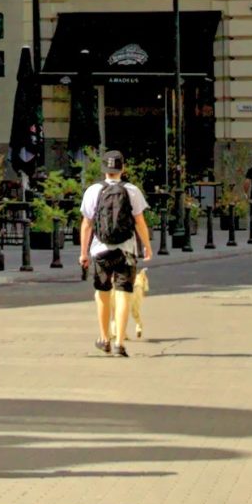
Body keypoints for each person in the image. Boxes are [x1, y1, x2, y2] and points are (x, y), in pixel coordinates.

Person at [79, 150, 151, 357]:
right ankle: (120, 341)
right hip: (126, 250)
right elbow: (140, 222)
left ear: (104, 170)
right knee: (123, 294)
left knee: (102, 293)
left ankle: (104, 338)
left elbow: (86, 224)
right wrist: (147, 246)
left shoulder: (93, 191)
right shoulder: (132, 191)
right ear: (123, 169)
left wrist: (83, 253)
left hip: (100, 250)